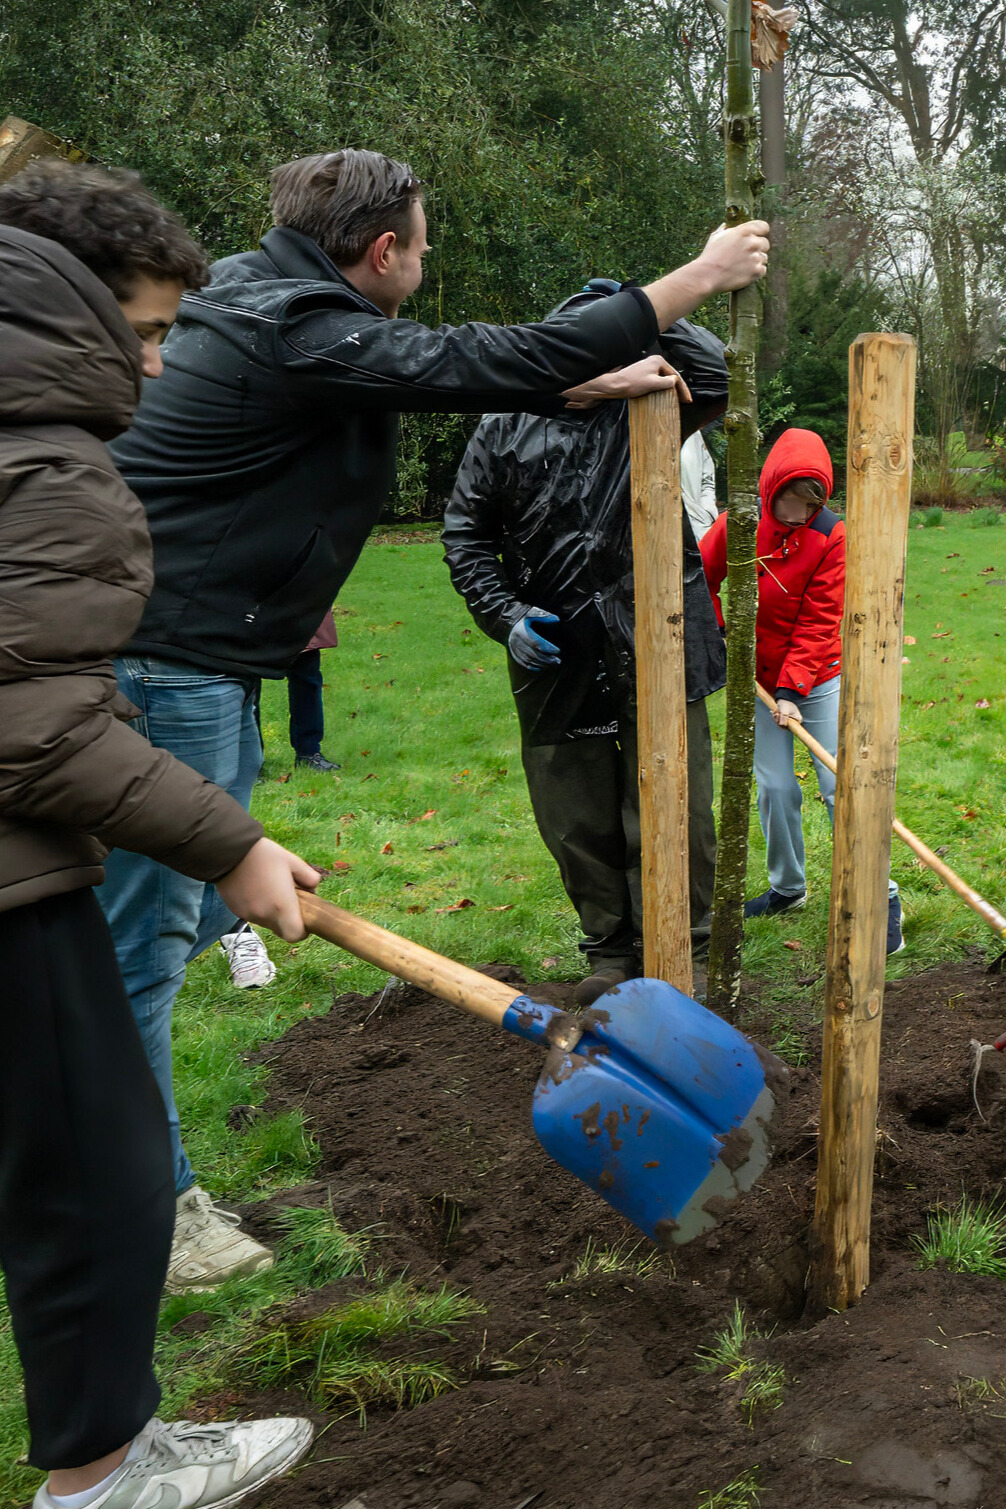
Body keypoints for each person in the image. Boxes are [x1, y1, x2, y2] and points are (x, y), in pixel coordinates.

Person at [98, 147, 768, 1288]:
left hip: (179, 656)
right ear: (380, 253)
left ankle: (107, 1151)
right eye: (422, 243)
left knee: (160, 930)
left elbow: (448, 375)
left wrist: (578, 388)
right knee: (142, 952)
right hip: (168, 662)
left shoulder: (268, 306)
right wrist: (696, 277)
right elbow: (477, 358)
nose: (426, 260)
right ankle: (148, 1212)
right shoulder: (298, 326)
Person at [0, 159, 326, 1509]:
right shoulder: (46, 453)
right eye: (145, 330)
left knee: (71, 1173)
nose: (157, 362)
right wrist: (232, 846)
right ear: (73, 309)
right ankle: (103, 1480)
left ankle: (113, 1452)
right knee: (103, 1181)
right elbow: (38, 724)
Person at [445, 283, 730, 1000]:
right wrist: (504, 615)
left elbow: (721, 371)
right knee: (574, 811)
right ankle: (611, 953)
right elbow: (466, 530)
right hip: (555, 644)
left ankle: (683, 949)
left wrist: (636, 309)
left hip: (659, 635)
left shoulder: (660, 399)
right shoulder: (507, 420)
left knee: (678, 806)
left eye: (607, 336)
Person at [699, 428, 903, 952]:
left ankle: (881, 900)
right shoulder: (737, 527)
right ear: (771, 490)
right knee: (775, 789)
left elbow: (818, 621)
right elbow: (698, 580)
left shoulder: (831, 535)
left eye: (806, 507)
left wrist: (793, 688)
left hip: (818, 678)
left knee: (842, 787)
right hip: (756, 681)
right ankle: (788, 888)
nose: (794, 516)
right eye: (788, 503)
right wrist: (721, 635)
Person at [287, 612, 341, 773]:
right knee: (248, 684)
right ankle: (249, 763)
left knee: (306, 678)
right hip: (253, 605)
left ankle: (308, 753)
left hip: (300, 607)